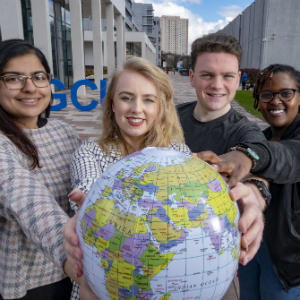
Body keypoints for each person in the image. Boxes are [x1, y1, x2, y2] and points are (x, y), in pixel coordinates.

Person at [63, 57, 265, 300]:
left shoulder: (179, 154)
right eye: (127, 97)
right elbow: (87, 187)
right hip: (103, 287)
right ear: (113, 104)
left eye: (148, 99)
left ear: (160, 107)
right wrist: (87, 205)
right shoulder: (90, 152)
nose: (137, 108)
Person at [0, 39, 88, 300]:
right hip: (32, 284)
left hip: (75, 276)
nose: (30, 88)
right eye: (14, 78)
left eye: (38, 77)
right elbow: (24, 197)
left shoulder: (65, 132)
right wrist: (69, 250)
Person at [238, 64, 300, 300]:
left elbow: (286, 156)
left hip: (287, 261)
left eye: (286, 93)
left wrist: (250, 157)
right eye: (267, 95)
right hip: (252, 249)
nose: (275, 101)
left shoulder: (258, 148)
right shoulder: (260, 140)